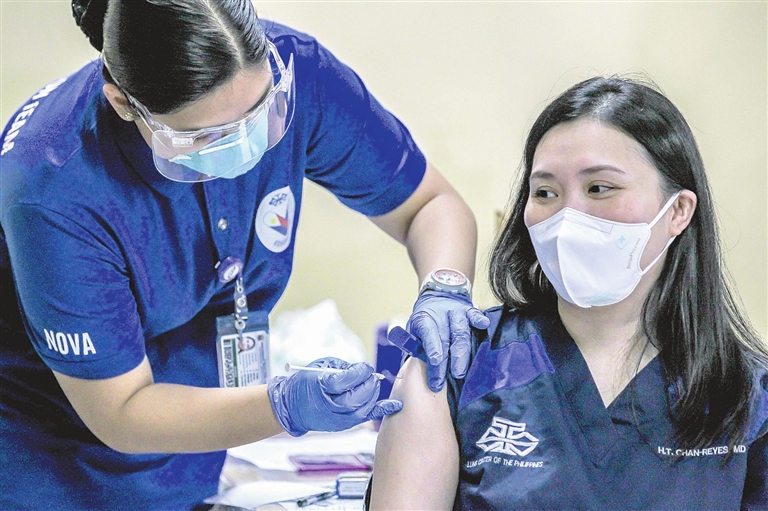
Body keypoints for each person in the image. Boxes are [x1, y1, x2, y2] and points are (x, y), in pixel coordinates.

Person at [0, 1, 488, 509]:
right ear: (124, 104)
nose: (243, 152)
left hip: (195, 458)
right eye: (203, 139)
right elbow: (120, 411)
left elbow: (429, 206)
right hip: (56, 467)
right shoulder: (51, 188)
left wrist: (445, 287)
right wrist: (284, 405)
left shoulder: (296, 71)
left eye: (259, 115)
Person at [367, 76, 768, 510]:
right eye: (545, 192)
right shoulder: (455, 366)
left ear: (678, 212)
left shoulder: (748, 394)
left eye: (599, 188)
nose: (568, 216)